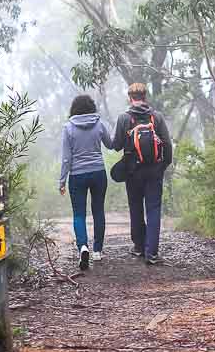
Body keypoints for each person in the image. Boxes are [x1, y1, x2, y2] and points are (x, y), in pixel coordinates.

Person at [111, 83, 173, 265]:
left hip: (132, 171)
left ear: (130, 98)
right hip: (154, 170)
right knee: (153, 209)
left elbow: (116, 145)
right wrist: (163, 165)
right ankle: (151, 253)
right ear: (145, 97)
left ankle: (139, 246)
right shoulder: (156, 117)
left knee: (136, 208)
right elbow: (167, 145)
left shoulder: (124, 118)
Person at [59, 94, 112, 270]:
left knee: (79, 214)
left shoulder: (68, 128)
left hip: (77, 175)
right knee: (98, 211)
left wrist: (62, 180)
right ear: (92, 107)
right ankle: (97, 251)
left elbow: (66, 158)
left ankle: (83, 247)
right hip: (98, 173)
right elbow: (110, 144)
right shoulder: (99, 123)